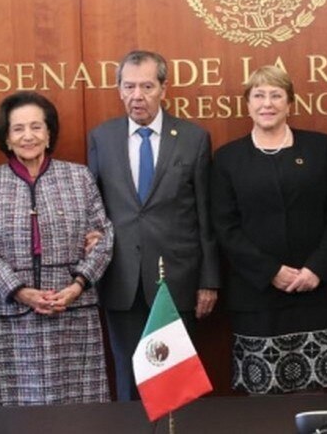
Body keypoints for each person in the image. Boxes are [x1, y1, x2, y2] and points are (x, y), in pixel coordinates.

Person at [86, 50, 219, 401]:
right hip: (121, 278)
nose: (137, 96)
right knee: (130, 381)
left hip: (177, 278)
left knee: (176, 385)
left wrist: (209, 280)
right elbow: (93, 206)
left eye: (146, 86)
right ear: (118, 89)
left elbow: (206, 215)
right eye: (128, 86)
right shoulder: (102, 138)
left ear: (164, 88)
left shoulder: (193, 138)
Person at [0, 91, 114, 405]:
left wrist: (78, 285)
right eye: (18, 129)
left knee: (77, 415)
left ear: (49, 134)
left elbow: (103, 239)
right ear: (6, 138)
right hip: (6, 316)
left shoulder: (80, 177)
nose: (28, 136)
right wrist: (20, 291)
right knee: (8, 418)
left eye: (36, 127)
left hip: (72, 312)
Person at [212, 66, 327, 394]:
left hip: (316, 291)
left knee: (320, 394)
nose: (267, 103)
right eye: (258, 95)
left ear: (290, 103)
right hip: (256, 295)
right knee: (263, 401)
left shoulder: (319, 148)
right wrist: (270, 271)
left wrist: (317, 268)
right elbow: (225, 226)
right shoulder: (228, 158)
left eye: (276, 95)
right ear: (247, 103)